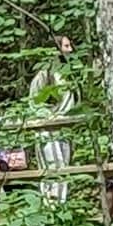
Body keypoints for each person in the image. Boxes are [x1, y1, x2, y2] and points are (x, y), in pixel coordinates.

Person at [30, 34, 76, 203]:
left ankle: (62, 205)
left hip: (65, 129)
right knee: (51, 167)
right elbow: (34, 102)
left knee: (64, 169)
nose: (70, 50)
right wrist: (50, 117)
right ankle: (50, 207)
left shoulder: (68, 74)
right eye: (66, 46)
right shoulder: (44, 74)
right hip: (48, 129)